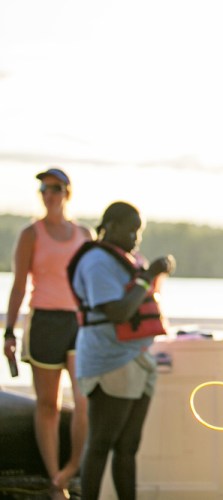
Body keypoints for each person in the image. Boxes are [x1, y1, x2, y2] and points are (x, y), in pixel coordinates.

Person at [67, 201, 175, 500]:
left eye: (139, 232)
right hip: (108, 361)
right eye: (131, 231)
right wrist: (148, 273)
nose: (135, 238)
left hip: (137, 359)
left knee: (128, 447)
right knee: (100, 443)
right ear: (111, 227)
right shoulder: (96, 262)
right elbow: (118, 312)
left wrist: (153, 273)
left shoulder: (124, 259)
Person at [3, 167, 92, 499]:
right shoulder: (31, 233)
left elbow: (94, 282)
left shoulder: (83, 234)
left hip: (78, 324)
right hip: (43, 323)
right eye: (43, 189)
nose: (48, 194)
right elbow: (18, 286)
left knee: (83, 401)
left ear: (67, 193)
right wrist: (9, 332)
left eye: (54, 188)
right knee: (48, 405)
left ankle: (70, 471)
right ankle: (54, 479)